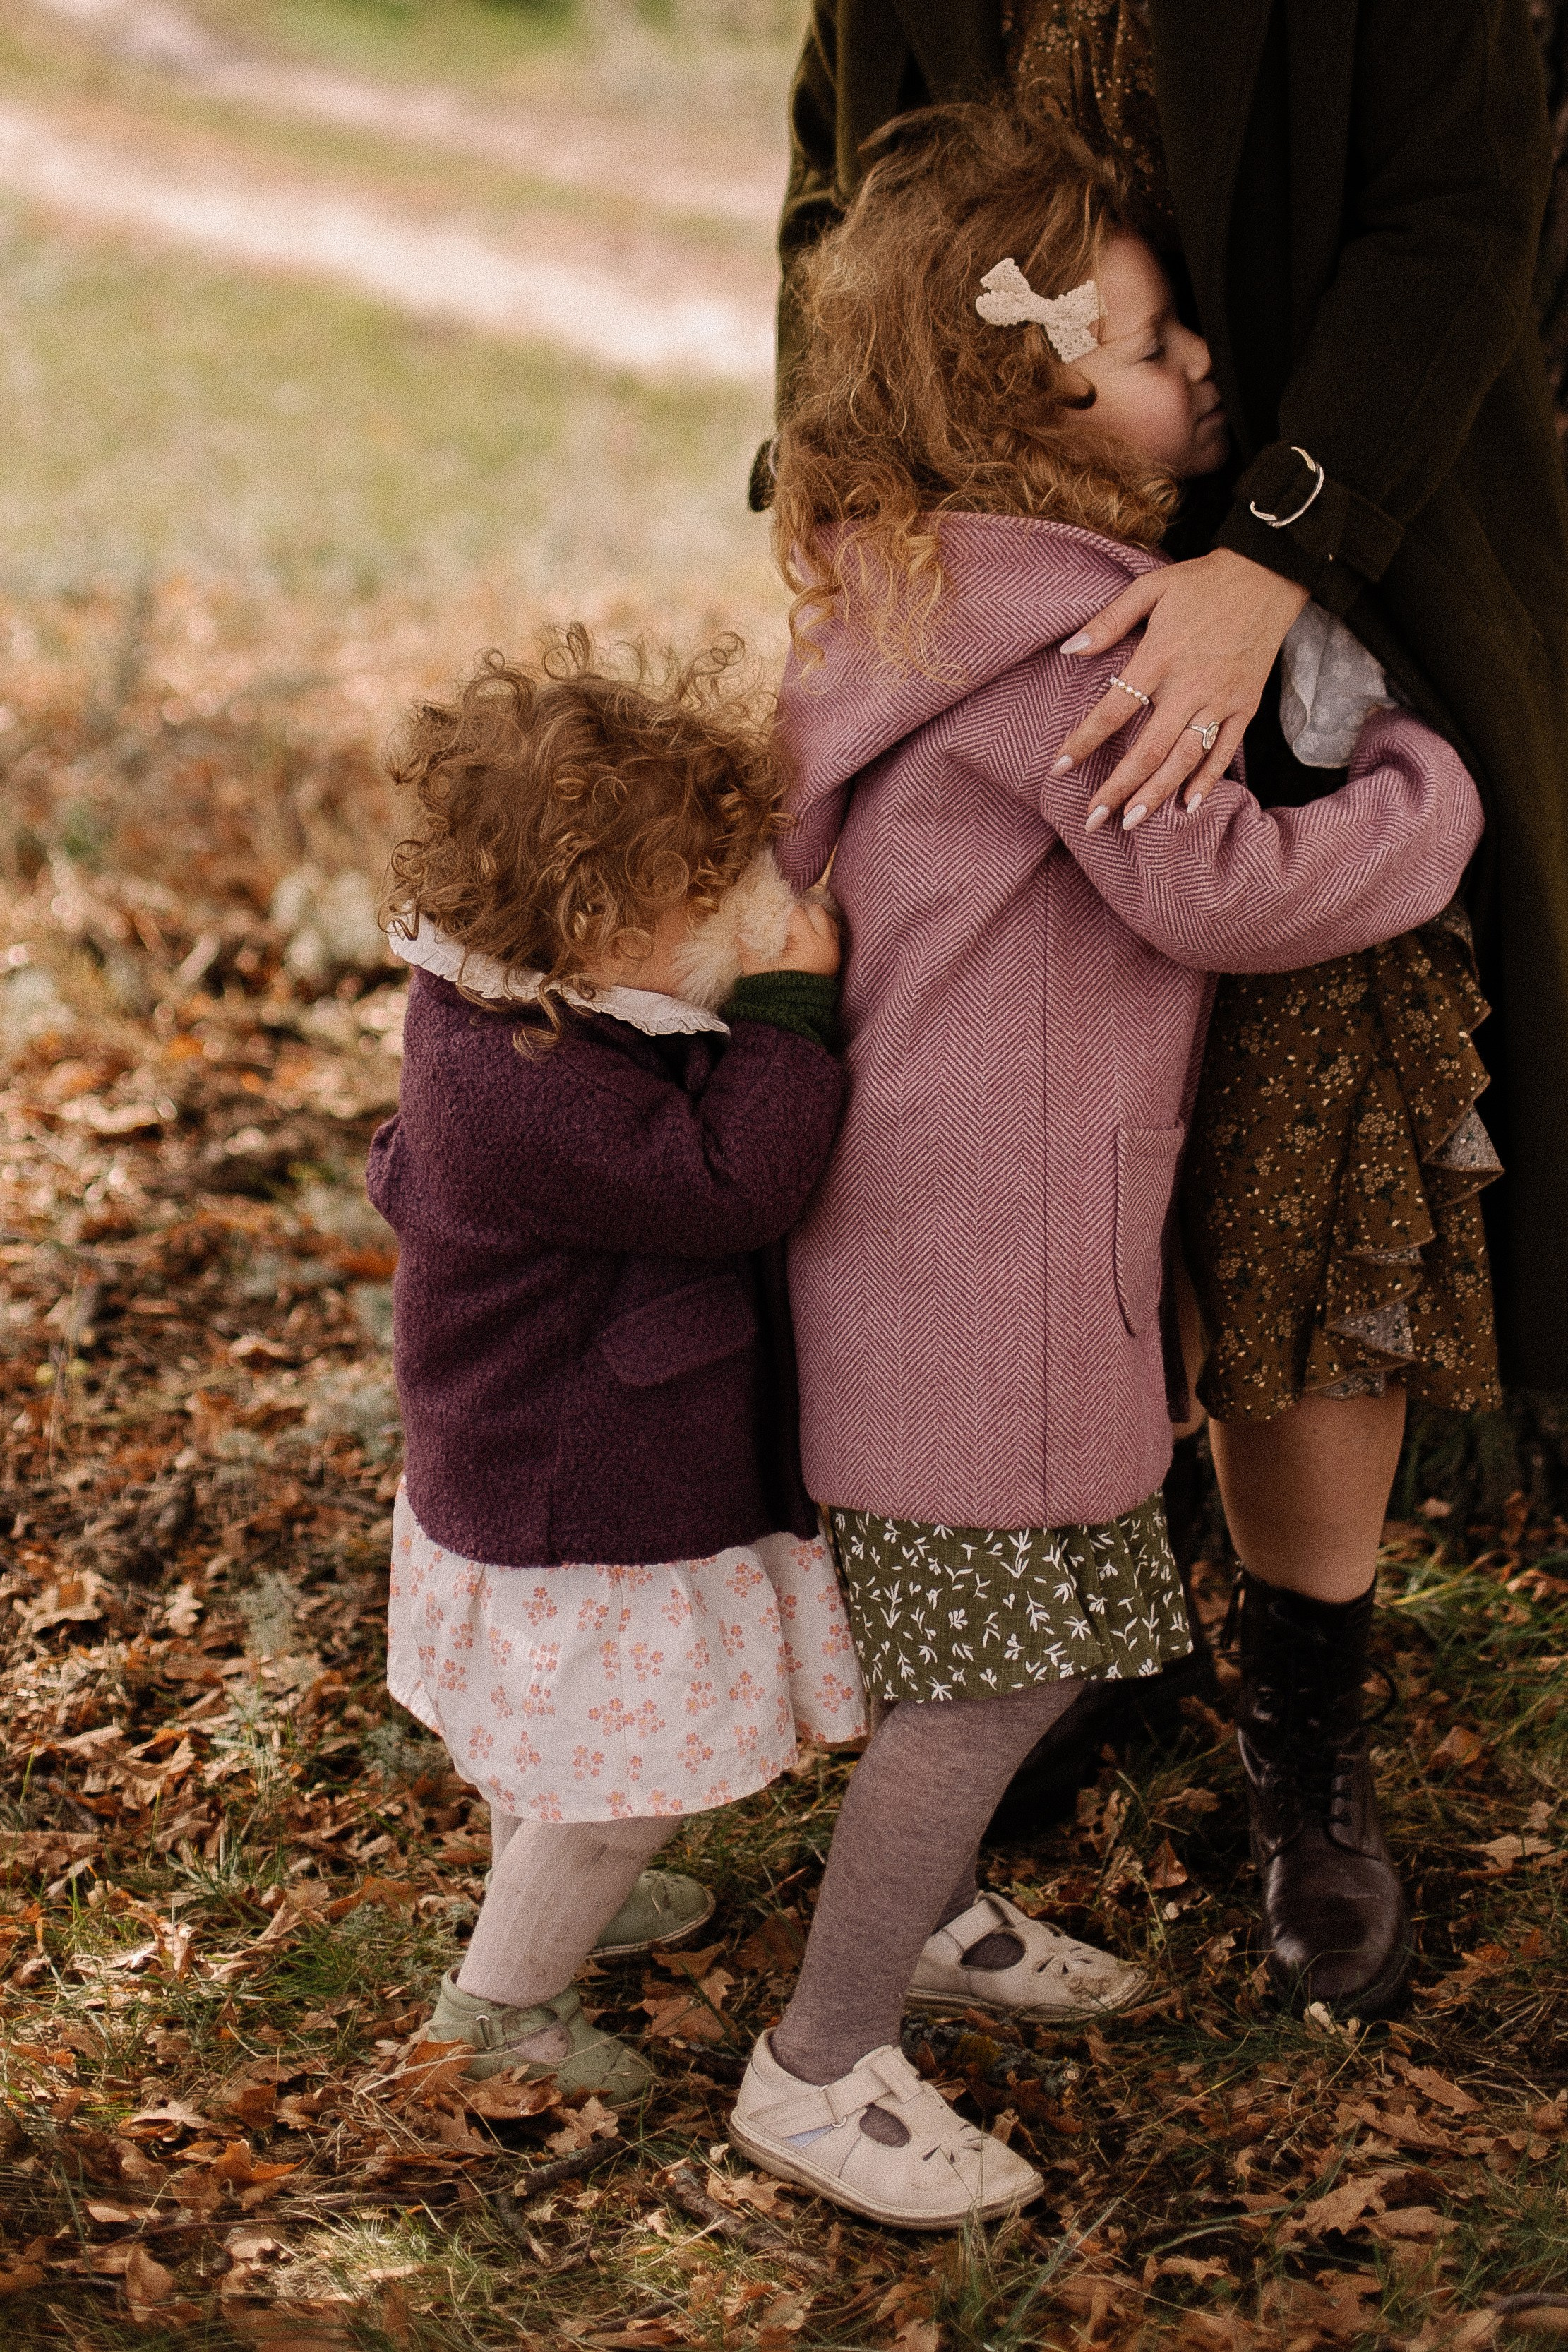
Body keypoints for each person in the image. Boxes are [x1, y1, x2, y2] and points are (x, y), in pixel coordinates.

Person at [760, 0, 1568, 2010]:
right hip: (991, 569)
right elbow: (825, 199)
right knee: (1022, 1161)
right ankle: (1072, 1635)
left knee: (1308, 1154)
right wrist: (856, 494)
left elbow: (1455, 212)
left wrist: (1275, 557)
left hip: (1327, 576)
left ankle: (1304, 1744)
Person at [365, 631, 866, 2097]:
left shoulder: (508, 1010)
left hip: (532, 1451)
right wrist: (787, 1009)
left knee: (556, 1731)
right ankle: (497, 2016)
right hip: (584, 1485)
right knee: (612, 1775)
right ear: (589, 926)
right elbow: (730, 1185)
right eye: (704, 900)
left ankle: (566, 1878)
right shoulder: (522, 1089)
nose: (740, 914)